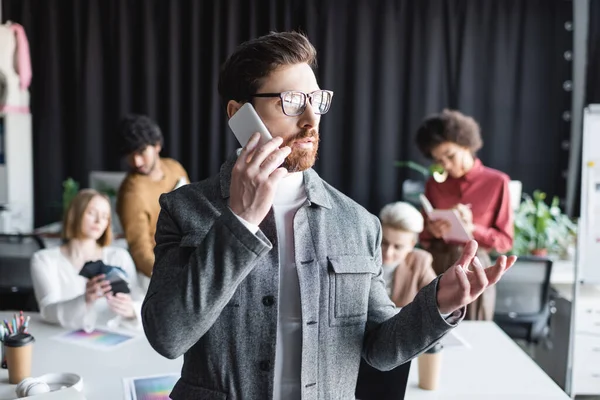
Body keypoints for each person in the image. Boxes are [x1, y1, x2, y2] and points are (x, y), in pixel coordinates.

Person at [141, 32, 516, 400]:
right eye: (290, 101)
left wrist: (436, 307)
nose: (310, 118)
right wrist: (240, 221)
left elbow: (379, 349)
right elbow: (169, 338)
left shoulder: (358, 223)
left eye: (316, 100)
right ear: (239, 114)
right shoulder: (185, 209)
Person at [416, 109, 514, 321]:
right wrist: (432, 230)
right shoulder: (434, 185)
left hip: (476, 268)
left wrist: (472, 229)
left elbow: (505, 242)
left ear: (466, 145)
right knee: (430, 330)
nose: (447, 166)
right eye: (439, 160)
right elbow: (423, 237)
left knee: (475, 332)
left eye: (450, 156)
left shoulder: (497, 182)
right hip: (438, 265)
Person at [31, 189, 145, 332]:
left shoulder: (119, 256)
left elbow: (142, 302)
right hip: (63, 340)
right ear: (75, 214)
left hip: (114, 338)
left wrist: (132, 309)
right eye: (92, 213)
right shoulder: (44, 260)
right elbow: (47, 311)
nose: (98, 221)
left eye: (105, 216)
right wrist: (85, 299)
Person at [116, 114, 189, 279]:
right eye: (129, 154)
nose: (136, 161)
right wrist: (170, 275)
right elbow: (140, 250)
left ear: (157, 145)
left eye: (141, 152)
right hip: (159, 272)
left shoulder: (174, 168)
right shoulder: (132, 192)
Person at [379, 201, 437, 307]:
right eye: (384, 243)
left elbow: (436, 301)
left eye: (398, 247)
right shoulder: (362, 258)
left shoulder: (420, 262)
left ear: (412, 245)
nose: (388, 253)